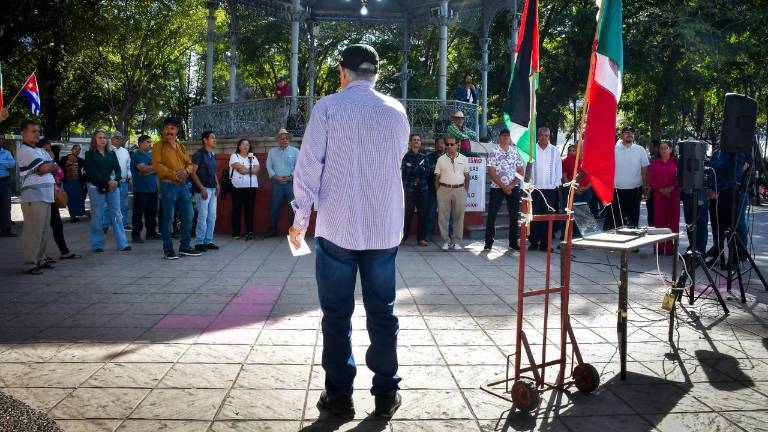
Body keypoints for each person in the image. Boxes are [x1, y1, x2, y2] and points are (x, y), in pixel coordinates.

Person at [289, 44, 409, 420]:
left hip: (337, 227)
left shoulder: (328, 108)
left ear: (343, 72)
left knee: (337, 316)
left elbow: (308, 168)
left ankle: (339, 397)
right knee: (383, 314)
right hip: (383, 229)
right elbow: (397, 158)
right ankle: (386, 393)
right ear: (375, 74)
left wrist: (299, 222)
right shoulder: (396, 112)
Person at [153, 116, 203, 259]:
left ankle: (185, 247)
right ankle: (168, 249)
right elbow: (157, 166)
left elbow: (190, 164)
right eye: (167, 128)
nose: (169, 131)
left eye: (172, 128)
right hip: (168, 186)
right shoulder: (158, 146)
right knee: (168, 218)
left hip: (183, 187)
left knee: (189, 215)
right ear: (163, 130)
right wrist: (175, 175)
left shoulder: (180, 146)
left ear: (177, 131)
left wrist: (185, 172)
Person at [17, 120, 57, 273]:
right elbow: (44, 167)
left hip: (45, 195)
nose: (37, 134)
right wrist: (50, 166)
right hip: (33, 196)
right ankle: (29, 264)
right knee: (33, 231)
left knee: (44, 230)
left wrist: (50, 166)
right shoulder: (25, 150)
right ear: (24, 134)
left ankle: (40, 260)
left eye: (38, 131)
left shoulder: (39, 150)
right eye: (33, 131)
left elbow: (51, 165)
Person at [85, 130, 131, 253]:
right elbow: (92, 172)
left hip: (113, 185)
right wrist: (108, 182)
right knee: (98, 214)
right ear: (94, 140)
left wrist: (116, 180)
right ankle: (97, 244)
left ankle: (122, 243)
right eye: (99, 137)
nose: (102, 140)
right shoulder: (89, 154)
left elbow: (117, 169)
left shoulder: (111, 154)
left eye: (104, 137)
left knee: (117, 213)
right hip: (96, 187)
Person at [485, 128, 525, 251]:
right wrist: (503, 186)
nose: (505, 138)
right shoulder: (494, 151)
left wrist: (511, 186)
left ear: (510, 138)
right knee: (492, 215)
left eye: (507, 136)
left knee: (514, 215)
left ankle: (513, 242)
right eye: (503, 136)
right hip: (497, 188)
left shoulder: (514, 152)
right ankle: (488, 243)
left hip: (513, 188)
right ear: (499, 137)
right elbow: (490, 171)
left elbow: (520, 171)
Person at [40, 140, 81, 260]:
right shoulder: (38, 161)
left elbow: (58, 173)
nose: (49, 152)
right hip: (41, 196)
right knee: (43, 227)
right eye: (46, 150)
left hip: (52, 195)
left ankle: (64, 251)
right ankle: (41, 256)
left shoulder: (50, 160)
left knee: (57, 225)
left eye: (50, 149)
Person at [604, 125, 649, 230]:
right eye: (626, 132)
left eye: (631, 132)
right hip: (616, 190)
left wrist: (645, 188)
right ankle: (616, 243)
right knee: (616, 219)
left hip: (635, 190)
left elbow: (645, 172)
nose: (629, 134)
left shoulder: (640, 150)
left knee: (633, 219)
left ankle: (633, 244)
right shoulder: (613, 149)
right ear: (621, 135)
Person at [529, 127, 562, 251]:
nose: (544, 138)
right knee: (534, 216)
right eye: (541, 135)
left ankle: (545, 244)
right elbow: (528, 167)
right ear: (538, 136)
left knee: (548, 217)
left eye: (546, 136)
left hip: (550, 189)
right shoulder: (532, 150)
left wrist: (556, 184)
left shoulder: (555, 150)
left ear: (549, 137)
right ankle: (533, 242)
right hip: (535, 189)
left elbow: (558, 168)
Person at [434, 135, 470, 251]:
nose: (450, 146)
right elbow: (436, 177)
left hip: (460, 189)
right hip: (444, 189)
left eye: (452, 144)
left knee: (459, 216)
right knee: (443, 217)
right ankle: (446, 241)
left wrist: (465, 190)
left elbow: (467, 176)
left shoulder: (464, 159)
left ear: (457, 145)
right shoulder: (441, 159)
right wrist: (438, 191)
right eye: (448, 144)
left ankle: (456, 241)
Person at [647, 141, 679, 255]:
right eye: (661, 148)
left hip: (673, 195)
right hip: (659, 195)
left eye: (666, 148)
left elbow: (679, 178)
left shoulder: (676, 162)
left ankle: (671, 248)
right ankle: (659, 248)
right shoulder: (655, 163)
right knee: (659, 221)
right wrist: (661, 190)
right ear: (659, 150)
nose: (664, 150)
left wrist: (670, 188)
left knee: (673, 221)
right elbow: (651, 179)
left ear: (670, 149)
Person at [190, 130, 220, 252]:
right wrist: (201, 188)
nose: (215, 140)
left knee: (212, 216)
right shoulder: (198, 154)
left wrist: (217, 184)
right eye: (212, 138)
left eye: (214, 138)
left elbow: (213, 172)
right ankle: (199, 242)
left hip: (213, 189)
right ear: (205, 140)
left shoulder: (212, 155)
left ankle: (208, 241)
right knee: (203, 216)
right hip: (202, 190)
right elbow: (192, 172)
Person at [266, 128, 298, 237]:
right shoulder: (272, 151)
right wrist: (275, 177)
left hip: (291, 183)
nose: (285, 140)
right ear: (278, 140)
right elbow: (269, 166)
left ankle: (293, 232)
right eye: (282, 138)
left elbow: (298, 166)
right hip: (277, 183)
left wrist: (290, 177)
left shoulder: (295, 151)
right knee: (275, 207)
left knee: (294, 208)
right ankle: (272, 230)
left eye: (286, 138)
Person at [130, 134, 160, 243]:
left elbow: (155, 169)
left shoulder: (151, 155)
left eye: (150, 142)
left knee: (151, 212)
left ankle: (151, 233)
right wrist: (154, 168)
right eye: (147, 142)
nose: (150, 144)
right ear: (140, 143)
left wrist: (149, 169)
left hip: (153, 189)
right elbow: (142, 169)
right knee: (138, 213)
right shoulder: (136, 155)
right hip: (140, 189)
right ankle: (136, 235)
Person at [401, 133, 429, 246]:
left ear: (420, 143)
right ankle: (403, 237)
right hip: (409, 189)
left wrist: (412, 167)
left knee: (423, 215)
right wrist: (418, 168)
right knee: (407, 214)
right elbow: (405, 172)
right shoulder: (405, 157)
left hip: (422, 189)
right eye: (414, 140)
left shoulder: (424, 157)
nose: (416, 141)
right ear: (410, 142)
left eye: (418, 140)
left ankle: (421, 239)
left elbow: (426, 173)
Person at [229, 139, 260, 240]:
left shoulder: (253, 157)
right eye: (243, 144)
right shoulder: (234, 156)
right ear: (239, 146)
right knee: (237, 209)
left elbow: (257, 168)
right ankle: (236, 232)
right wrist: (251, 170)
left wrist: (245, 170)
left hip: (252, 187)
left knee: (249, 210)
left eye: (247, 145)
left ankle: (249, 231)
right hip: (237, 187)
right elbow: (239, 168)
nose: (245, 146)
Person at [105, 132, 132, 231]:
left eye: (120, 138)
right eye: (116, 138)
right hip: (110, 181)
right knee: (108, 204)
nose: (119, 140)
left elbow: (129, 166)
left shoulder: (125, 151)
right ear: (111, 139)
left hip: (123, 182)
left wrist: (129, 175)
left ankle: (123, 223)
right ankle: (105, 224)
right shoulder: (106, 150)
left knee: (123, 204)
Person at [424, 135, 446, 243]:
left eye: (442, 143)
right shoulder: (429, 157)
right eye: (438, 143)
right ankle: (428, 235)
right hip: (433, 191)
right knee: (430, 214)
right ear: (435, 145)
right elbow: (428, 170)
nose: (440, 145)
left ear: (445, 145)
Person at [58, 144, 86, 222]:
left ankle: (77, 214)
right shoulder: (64, 159)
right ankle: (72, 215)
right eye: (76, 149)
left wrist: (83, 179)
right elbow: (59, 169)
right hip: (68, 182)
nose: (77, 151)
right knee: (70, 198)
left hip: (78, 182)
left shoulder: (81, 160)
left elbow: (85, 170)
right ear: (72, 149)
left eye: (79, 150)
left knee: (78, 198)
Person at [0, 135, 16, 237]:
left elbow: (12, 164)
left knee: (6, 206)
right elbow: (8, 164)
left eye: (2, 139)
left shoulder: (6, 152)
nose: (0, 141)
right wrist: (4, 163)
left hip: (4, 181)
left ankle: (6, 230)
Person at [646, 139, 660, 227]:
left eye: (650, 146)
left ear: (655, 147)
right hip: (652, 191)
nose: (649, 148)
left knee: (653, 215)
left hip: (656, 191)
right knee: (651, 215)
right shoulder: (652, 158)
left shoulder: (655, 159)